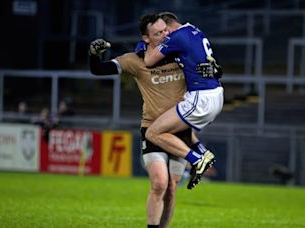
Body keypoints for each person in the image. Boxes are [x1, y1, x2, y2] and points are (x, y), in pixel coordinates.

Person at [88, 13, 218, 228]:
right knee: (159, 183)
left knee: (171, 189)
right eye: (158, 33)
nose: (166, 34)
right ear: (146, 38)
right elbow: (98, 69)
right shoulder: (135, 60)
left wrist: (212, 70)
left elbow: (208, 68)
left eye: (165, 30)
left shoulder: (179, 55)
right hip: (152, 128)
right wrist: (94, 54)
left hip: (179, 130)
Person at [143, 12, 224, 189]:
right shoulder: (194, 31)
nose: (164, 35)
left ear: (168, 26)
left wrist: (146, 42)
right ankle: (202, 152)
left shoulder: (176, 36)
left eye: (164, 31)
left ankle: (197, 160)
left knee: (153, 133)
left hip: (201, 97)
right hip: (214, 93)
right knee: (175, 126)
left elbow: (148, 61)